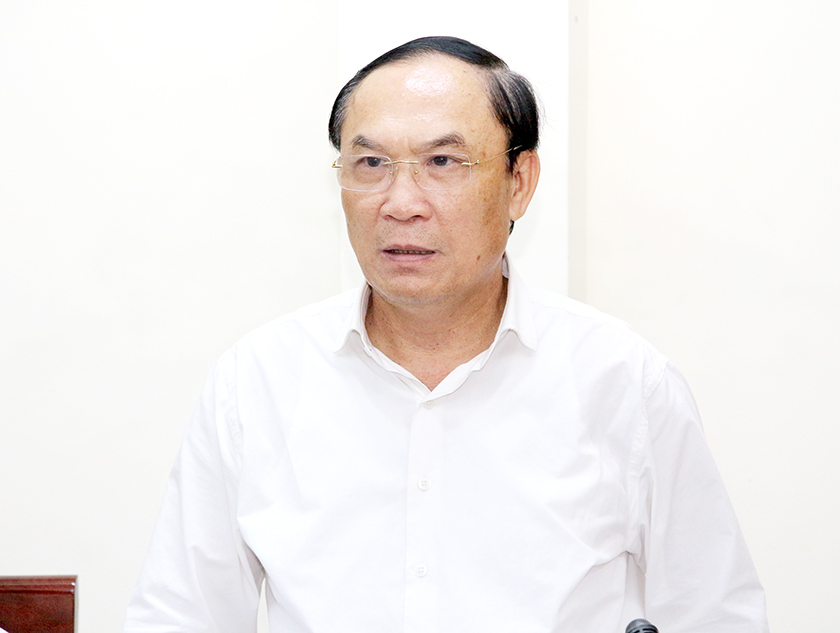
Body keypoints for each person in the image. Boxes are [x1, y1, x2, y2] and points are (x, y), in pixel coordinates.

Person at [124, 36, 768, 632]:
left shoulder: (623, 381)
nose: (401, 202)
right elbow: (179, 617)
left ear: (519, 183)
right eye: (370, 162)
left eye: (443, 161)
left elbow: (716, 615)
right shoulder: (257, 381)